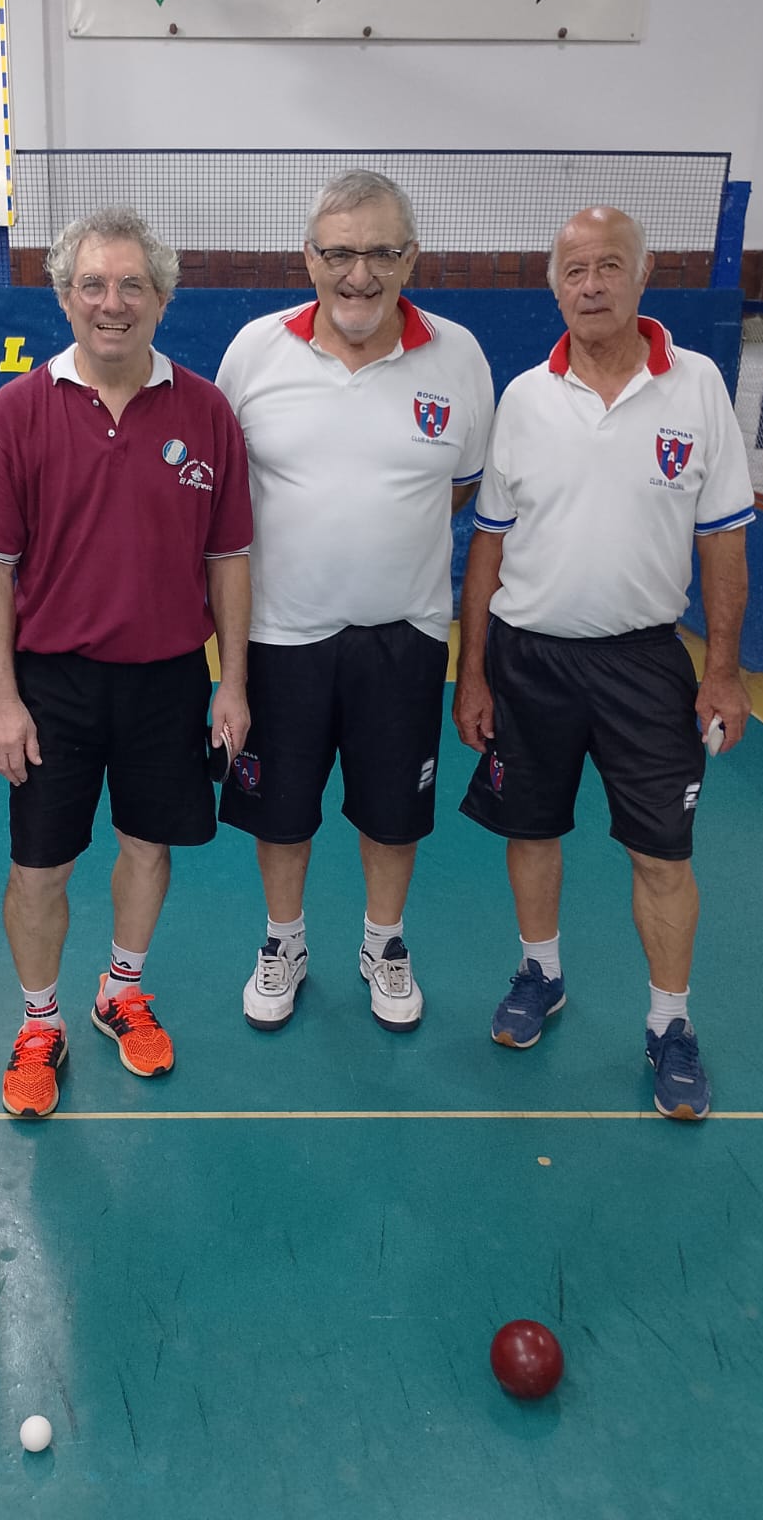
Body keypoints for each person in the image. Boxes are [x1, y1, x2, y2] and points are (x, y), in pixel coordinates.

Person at [453, 205, 754, 1121]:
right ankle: (539, 973)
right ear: (556, 289)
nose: (592, 285)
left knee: (662, 853)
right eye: (575, 271)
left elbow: (723, 542)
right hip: (529, 660)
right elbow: (488, 545)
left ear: (642, 274)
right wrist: (473, 672)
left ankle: (670, 1024)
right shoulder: (523, 398)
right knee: (531, 830)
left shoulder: (697, 387)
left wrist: (725, 670)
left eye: (609, 266)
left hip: (645, 664)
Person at [0, 206, 252, 1119]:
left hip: (168, 679)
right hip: (52, 686)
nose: (112, 302)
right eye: (93, 284)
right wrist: (1, 700)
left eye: (133, 285)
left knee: (147, 846)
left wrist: (232, 681)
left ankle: (121, 991)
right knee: (38, 868)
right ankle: (38, 1021)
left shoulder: (206, 411)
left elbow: (229, 557)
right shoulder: (18, 411)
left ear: (163, 298)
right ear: (64, 297)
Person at [216, 170, 494, 1033]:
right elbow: (224, 503)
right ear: (309, 259)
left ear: (412, 258)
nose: (359, 274)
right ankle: (284, 942)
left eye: (381, 252)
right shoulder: (254, 352)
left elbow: (460, 488)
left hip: (404, 637)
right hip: (278, 636)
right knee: (280, 812)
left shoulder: (459, 357)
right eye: (339, 253)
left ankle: (384, 944)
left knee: (392, 813)